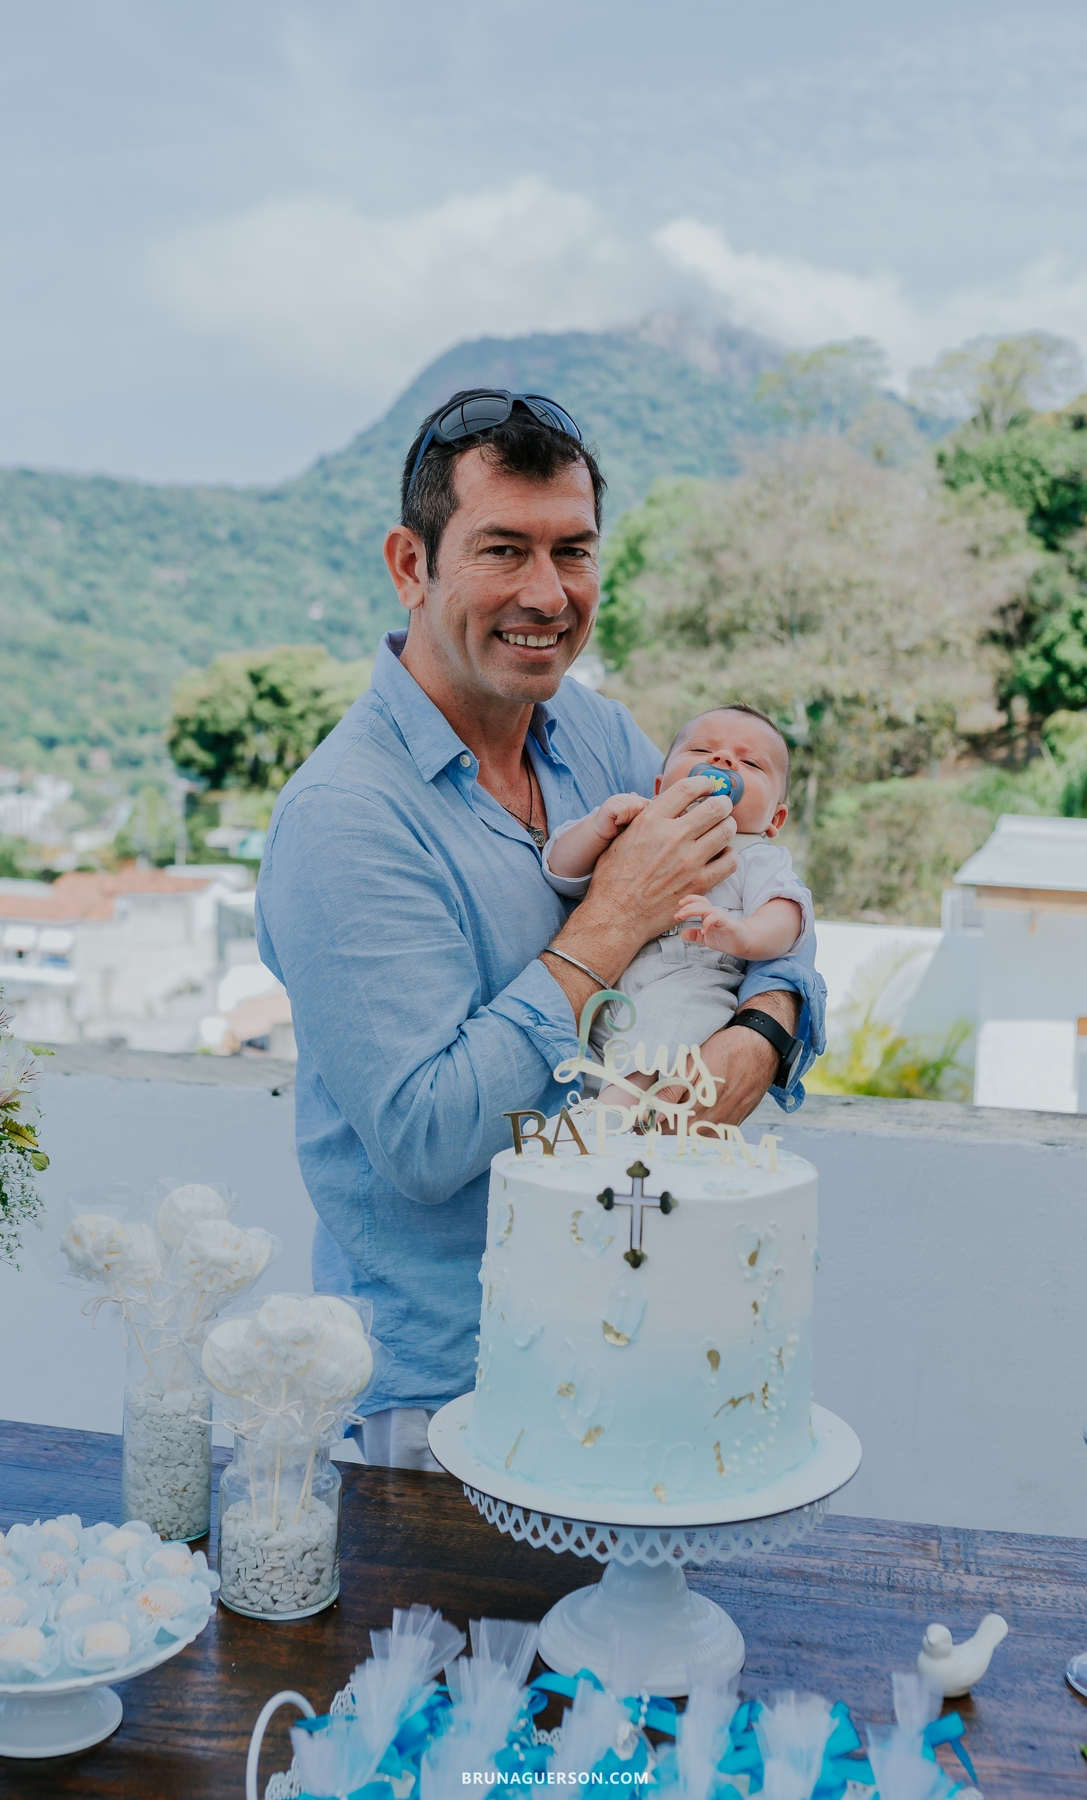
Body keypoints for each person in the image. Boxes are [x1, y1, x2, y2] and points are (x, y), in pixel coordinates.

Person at [255, 389, 826, 1470]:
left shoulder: (601, 737)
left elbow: (760, 882)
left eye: (574, 552)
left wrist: (764, 1033)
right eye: (502, 549)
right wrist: (610, 922)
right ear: (411, 565)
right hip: (446, 1396)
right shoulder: (346, 821)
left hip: (633, 1337)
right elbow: (424, 1141)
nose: (547, 593)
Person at [543, 702, 814, 1113]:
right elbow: (560, 874)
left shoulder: (757, 855)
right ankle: (583, 1110)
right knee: (585, 1044)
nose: (722, 760)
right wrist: (596, 829)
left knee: (663, 1020)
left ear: (775, 818)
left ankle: (614, 1113)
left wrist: (747, 935)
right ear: (659, 785)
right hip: (613, 973)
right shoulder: (638, 823)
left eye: (751, 763)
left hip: (695, 972)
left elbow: (789, 915)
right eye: (702, 751)